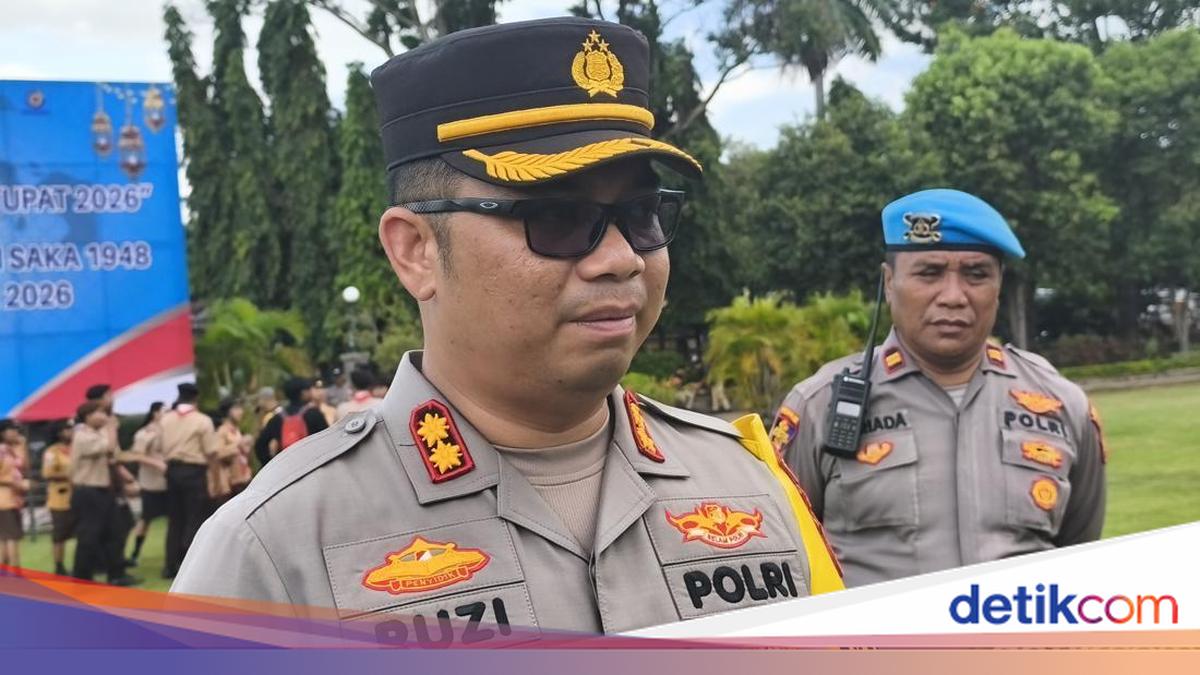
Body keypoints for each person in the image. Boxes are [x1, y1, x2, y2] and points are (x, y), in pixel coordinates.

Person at [173, 17, 843, 636]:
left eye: (642, 214)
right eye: (554, 217)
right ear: (416, 251)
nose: (619, 258)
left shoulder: (745, 483)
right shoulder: (277, 549)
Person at [771, 189, 1107, 587]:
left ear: (999, 285)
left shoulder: (1059, 404)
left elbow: (1078, 549)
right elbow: (783, 558)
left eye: (977, 274)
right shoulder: (819, 406)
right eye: (929, 273)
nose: (953, 296)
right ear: (890, 281)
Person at [69, 401, 139, 585]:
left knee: (115, 531)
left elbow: (114, 454)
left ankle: (116, 574)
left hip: (104, 490)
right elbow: (108, 448)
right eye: (99, 413)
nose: (104, 416)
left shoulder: (99, 434)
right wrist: (111, 428)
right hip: (87, 490)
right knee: (89, 535)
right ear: (87, 416)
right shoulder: (82, 436)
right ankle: (82, 577)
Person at [160, 383, 217, 579]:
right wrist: (216, 480)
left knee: (175, 519)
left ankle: (169, 564)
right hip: (194, 471)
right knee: (195, 517)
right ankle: (188, 563)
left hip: (172, 471)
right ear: (196, 398)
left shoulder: (165, 420)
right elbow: (211, 453)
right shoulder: (202, 420)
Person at [127, 403, 168, 569]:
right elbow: (137, 455)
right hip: (151, 484)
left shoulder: (169, 430)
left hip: (168, 483)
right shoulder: (145, 433)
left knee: (175, 521)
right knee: (146, 519)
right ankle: (135, 553)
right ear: (155, 413)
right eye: (164, 411)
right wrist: (158, 464)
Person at [252, 377, 327, 464]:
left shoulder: (277, 419)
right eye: (308, 390)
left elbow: (260, 446)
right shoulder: (315, 414)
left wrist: (271, 464)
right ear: (303, 393)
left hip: (287, 468)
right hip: (311, 466)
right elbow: (327, 440)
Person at [41, 421, 77, 576]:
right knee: (60, 535)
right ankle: (59, 566)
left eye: (71, 428)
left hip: (79, 497)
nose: (71, 431)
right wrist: (69, 476)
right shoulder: (52, 452)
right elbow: (47, 473)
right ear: (59, 432)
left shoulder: (76, 447)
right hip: (60, 498)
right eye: (67, 428)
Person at [208, 398, 246, 515]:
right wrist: (237, 446)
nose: (241, 412)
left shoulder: (236, 430)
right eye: (236, 408)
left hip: (241, 477)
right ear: (228, 412)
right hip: (231, 483)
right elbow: (218, 453)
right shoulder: (222, 431)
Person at [0, 426, 30, 569]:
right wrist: (14, 483)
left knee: (9, 536)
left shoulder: (13, 451)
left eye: (16, 430)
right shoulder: (1, 451)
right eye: (10, 430)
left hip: (15, 499)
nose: (15, 433)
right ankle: (13, 570)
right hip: (4, 499)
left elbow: (25, 468)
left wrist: (23, 446)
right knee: (10, 537)